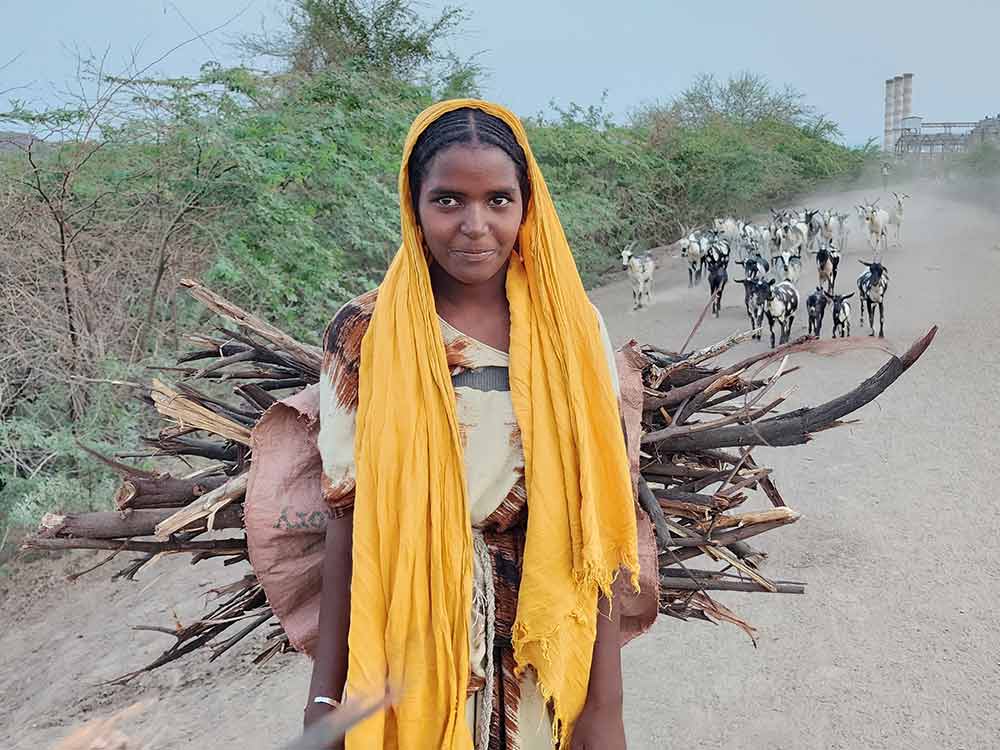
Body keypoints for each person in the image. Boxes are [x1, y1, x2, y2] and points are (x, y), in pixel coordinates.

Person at [246, 100, 656, 750]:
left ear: (527, 204)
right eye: (448, 201)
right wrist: (325, 698)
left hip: (544, 645)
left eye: (498, 199)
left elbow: (596, 527)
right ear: (414, 204)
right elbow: (349, 521)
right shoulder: (365, 334)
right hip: (409, 638)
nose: (475, 225)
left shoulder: (570, 331)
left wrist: (605, 706)